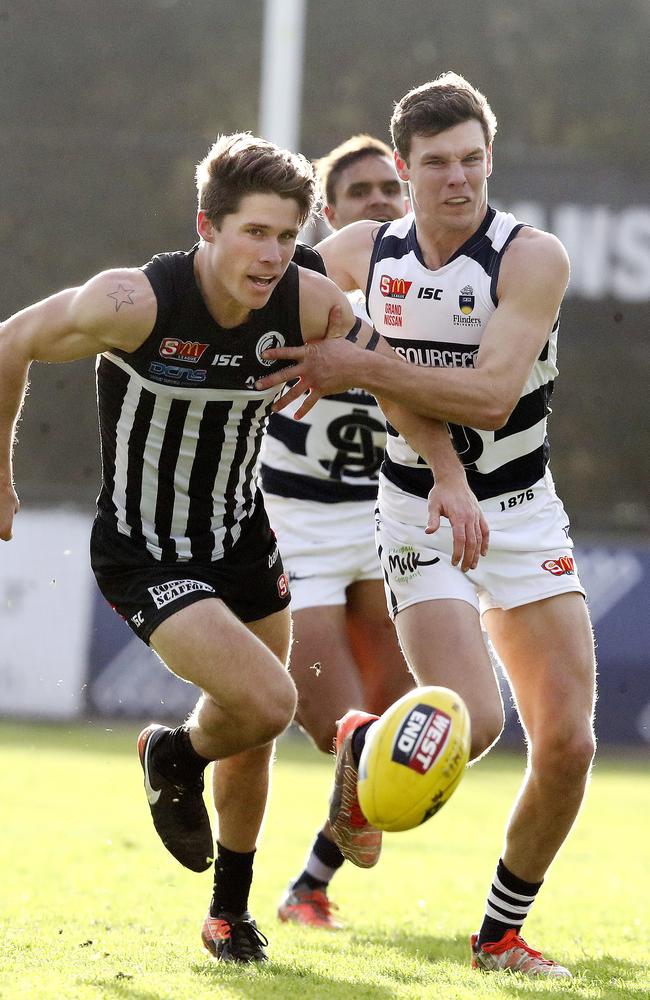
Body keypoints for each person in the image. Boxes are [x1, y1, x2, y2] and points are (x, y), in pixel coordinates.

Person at [0, 131, 485, 964]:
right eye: (254, 233)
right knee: (268, 701)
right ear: (207, 227)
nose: (271, 255)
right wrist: (0, 478)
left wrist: (448, 470)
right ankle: (169, 751)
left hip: (243, 540)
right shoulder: (132, 303)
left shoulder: (312, 305)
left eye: (287, 237)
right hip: (145, 551)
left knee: (252, 730)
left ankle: (229, 914)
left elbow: (396, 384)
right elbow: (9, 342)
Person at [256, 74, 596, 978]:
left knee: (568, 743)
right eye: (437, 164)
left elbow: (488, 398)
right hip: (413, 507)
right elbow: (262, 309)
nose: (459, 180)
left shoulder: (531, 259)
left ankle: (500, 935)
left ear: (491, 160)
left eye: (474, 161)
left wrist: (357, 359)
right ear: (403, 171)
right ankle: (361, 762)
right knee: (470, 722)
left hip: (522, 509)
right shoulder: (364, 249)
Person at [261, 135, 414, 930]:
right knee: (338, 728)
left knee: (401, 731)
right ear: (331, 214)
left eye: (394, 188)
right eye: (363, 192)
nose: (384, 202)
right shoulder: (290, 290)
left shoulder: (428, 290)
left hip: (388, 521)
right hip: (302, 529)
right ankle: (301, 885)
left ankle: (309, 886)